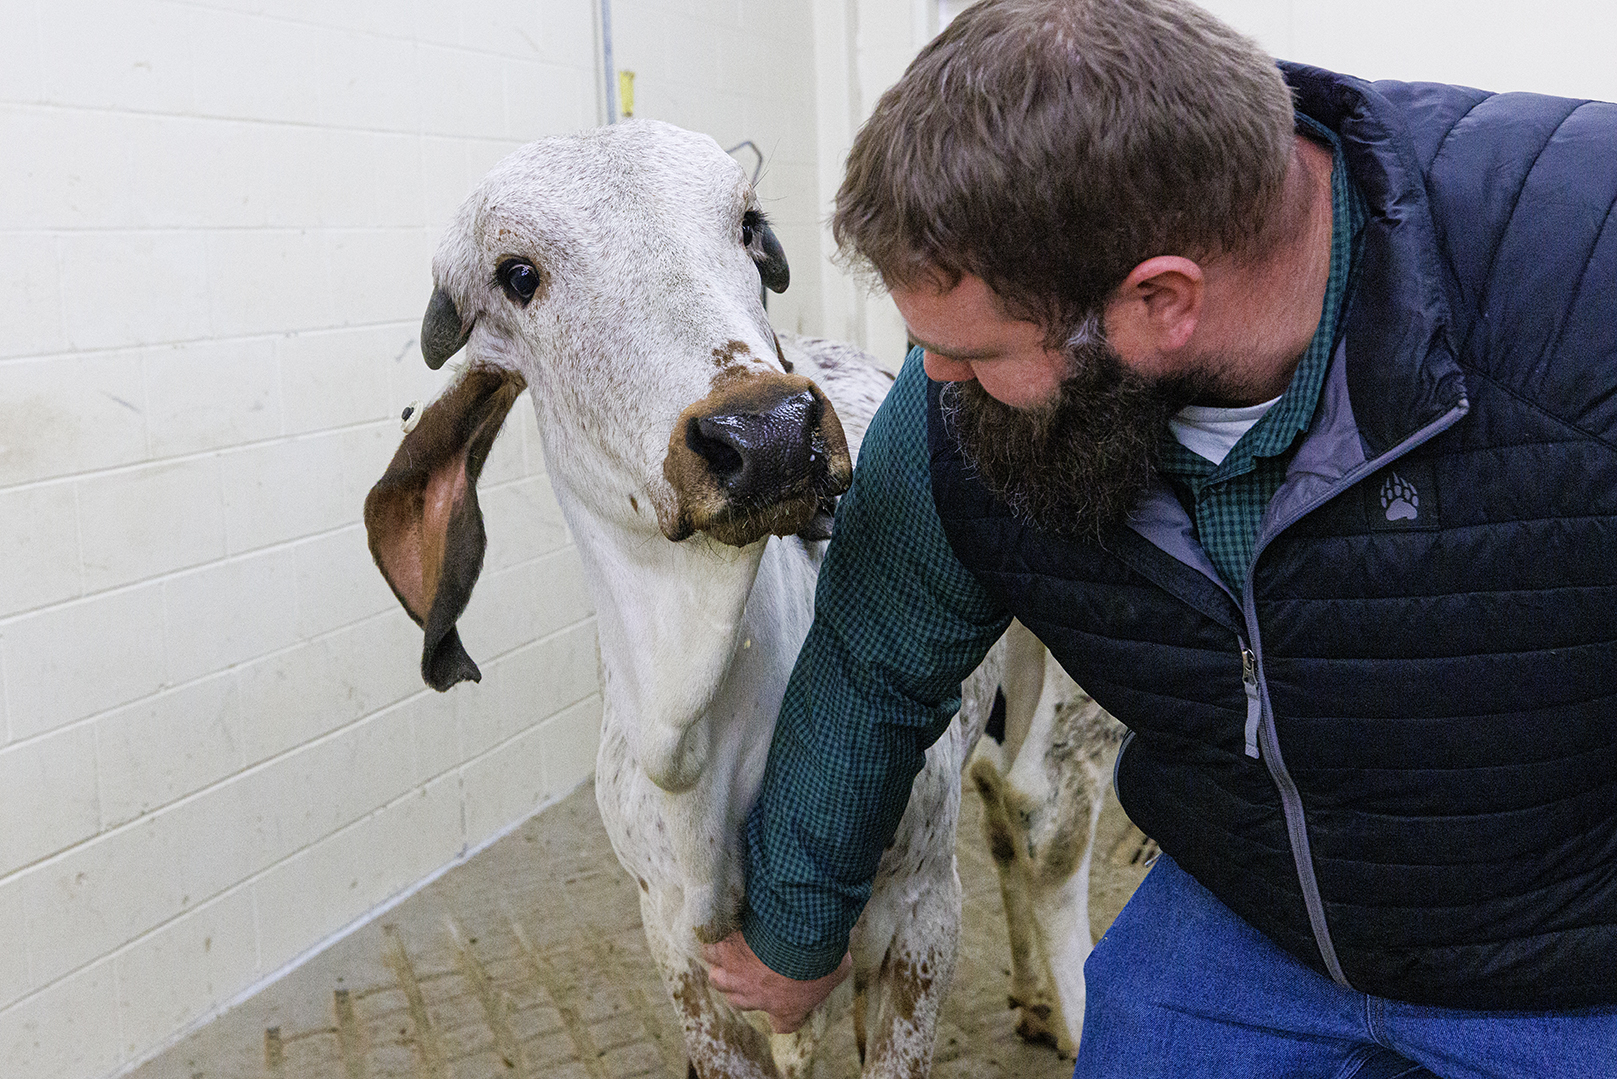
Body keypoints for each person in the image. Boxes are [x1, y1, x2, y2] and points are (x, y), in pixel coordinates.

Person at [703, 0, 1617, 1075]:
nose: (934, 380)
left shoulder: (1580, 288)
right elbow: (873, 656)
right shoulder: (961, 406)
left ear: (1163, 300)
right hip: (1253, 914)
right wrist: (798, 934)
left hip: (1569, 950)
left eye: (976, 349)